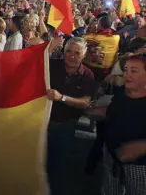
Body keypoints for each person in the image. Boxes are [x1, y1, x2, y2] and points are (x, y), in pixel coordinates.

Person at [46, 37, 97, 195]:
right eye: (68, 51)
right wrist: (48, 48)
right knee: (38, 159)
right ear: (63, 51)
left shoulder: (88, 75)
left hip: (66, 126)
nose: (72, 56)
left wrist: (62, 97)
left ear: (84, 54)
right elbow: (33, 64)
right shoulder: (52, 65)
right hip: (42, 123)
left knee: (58, 164)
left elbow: (85, 103)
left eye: (77, 52)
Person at [101, 54, 146, 195]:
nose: (127, 75)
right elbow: (110, 112)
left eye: (134, 71)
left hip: (139, 166)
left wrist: (141, 147)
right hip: (111, 157)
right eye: (125, 70)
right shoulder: (121, 93)